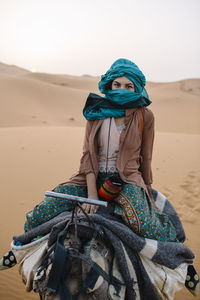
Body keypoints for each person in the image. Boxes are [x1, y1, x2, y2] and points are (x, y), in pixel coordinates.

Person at [0, 58, 199, 297]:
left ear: (137, 88)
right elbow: (87, 158)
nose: (122, 90)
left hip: (127, 180)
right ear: (109, 84)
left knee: (143, 223)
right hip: (89, 179)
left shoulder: (145, 115)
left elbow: (146, 158)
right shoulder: (95, 111)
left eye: (129, 86)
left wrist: (146, 193)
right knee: (42, 212)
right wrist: (92, 196)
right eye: (117, 84)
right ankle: (20, 248)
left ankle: (181, 259)